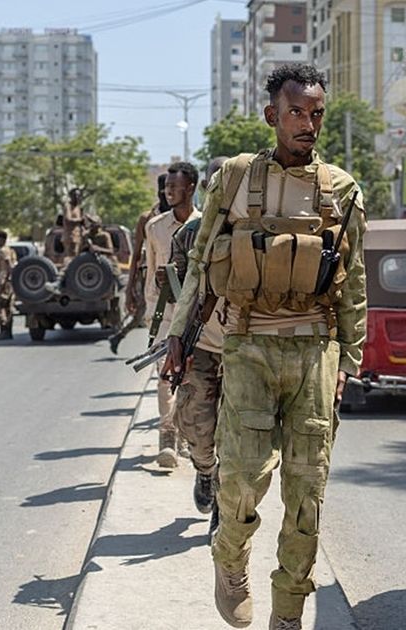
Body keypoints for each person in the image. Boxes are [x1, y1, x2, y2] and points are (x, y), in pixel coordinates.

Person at [162, 63, 366, 630]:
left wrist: (349, 362)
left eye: (316, 113)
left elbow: (354, 282)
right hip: (249, 344)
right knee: (241, 480)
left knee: (307, 494)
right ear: (272, 115)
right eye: (296, 112)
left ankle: (289, 612)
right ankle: (230, 564)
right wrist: (179, 333)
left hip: (315, 351)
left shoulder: (343, 189)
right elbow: (201, 261)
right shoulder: (233, 178)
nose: (308, 124)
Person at [169, 156, 229, 515]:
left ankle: (225, 507)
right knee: (196, 423)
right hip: (203, 346)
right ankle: (205, 471)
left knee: (240, 434)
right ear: (206, 188)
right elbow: (181, 292)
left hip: (243, 348)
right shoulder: (188, 235)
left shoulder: (258, 230)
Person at [146, 162, 200, 469]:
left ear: (190, 188)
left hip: (195, 315)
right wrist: (150, 309)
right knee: (165, 376)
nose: (168, 191)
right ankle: (167, 437)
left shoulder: (205, 225)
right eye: (166, 186)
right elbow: (150, 270)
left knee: (192, 377)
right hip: (165, 314)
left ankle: (187, 435)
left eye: (174, 186)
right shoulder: (155, 227)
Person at [109, 175, 169, 354]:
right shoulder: (147, 218)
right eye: (164, 189)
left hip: (177, 275)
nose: (166, 194)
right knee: (146, 313)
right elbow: (135, 256)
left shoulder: (185, 216)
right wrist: (129, 290)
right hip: (149, 276)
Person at [0, 230, 18, 340]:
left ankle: (4, 330)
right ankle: (8, 331)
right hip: (8, 282)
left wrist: (6, 280)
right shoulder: (11, 250)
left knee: (0, 306)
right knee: (8, 307)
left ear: (2, 239)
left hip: (5, 282)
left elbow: (9, 265)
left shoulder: (3, 251)